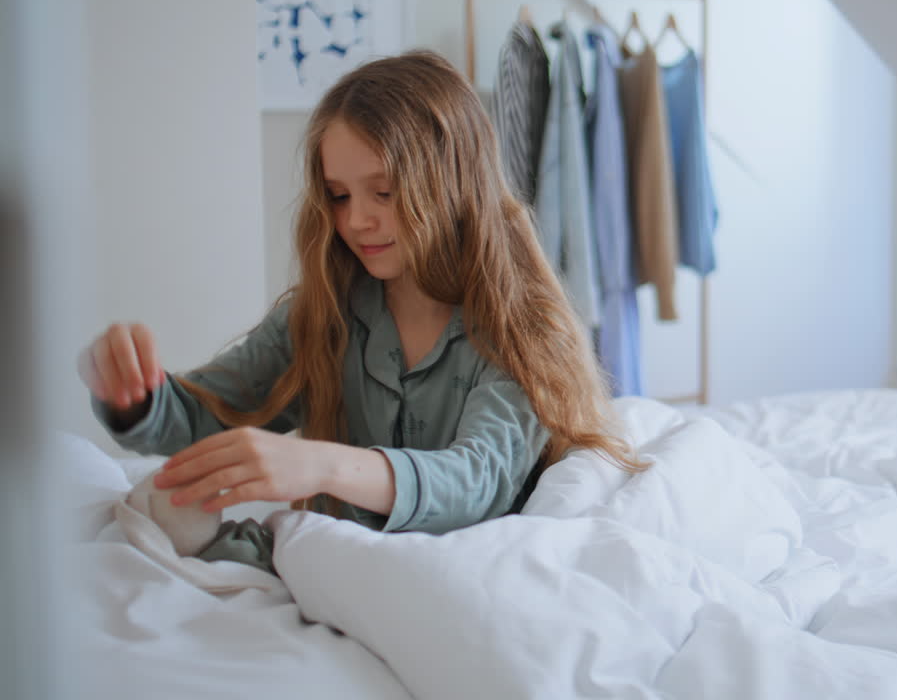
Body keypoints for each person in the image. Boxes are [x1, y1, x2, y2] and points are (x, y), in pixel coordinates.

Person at [77, 50, 639, 536]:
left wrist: (322, 465)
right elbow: (207, 417)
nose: (358, 220)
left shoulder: (522, 323)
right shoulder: (325, 315)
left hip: (465, 579)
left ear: (452, 186)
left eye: (384, 192)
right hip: (339, 573)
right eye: (339, 195)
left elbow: (477, 481)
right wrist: (136, 399)